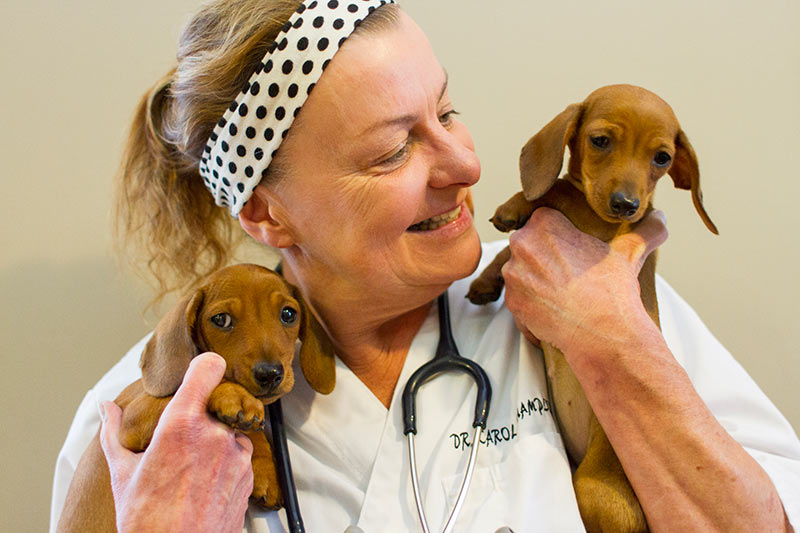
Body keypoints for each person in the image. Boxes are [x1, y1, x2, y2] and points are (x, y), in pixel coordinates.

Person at [51, 1, 800, 531]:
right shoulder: (145, 426)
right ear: (267, 215)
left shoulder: (584, 288)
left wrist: (617, 348)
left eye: (446, 112)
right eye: (392, 151)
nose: (466, 164)